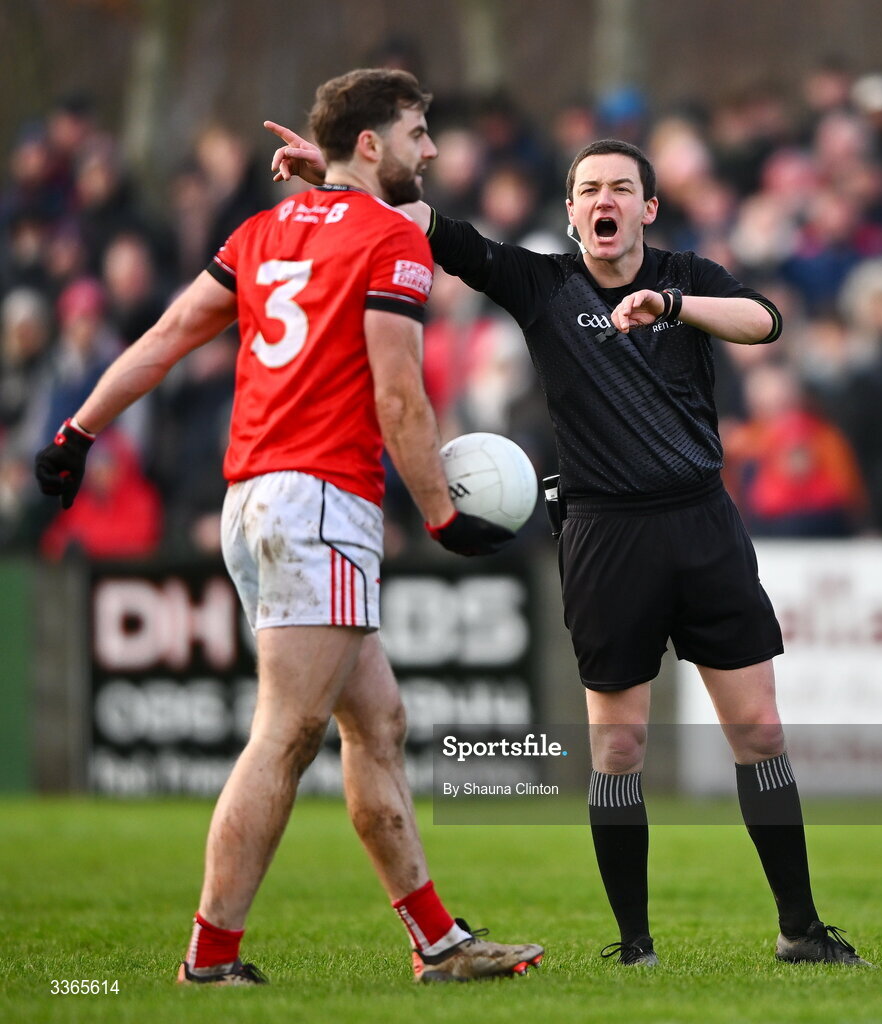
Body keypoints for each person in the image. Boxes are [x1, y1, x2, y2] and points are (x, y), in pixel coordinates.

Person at [264, 124, 873, 968]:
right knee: (618, 747)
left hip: (702, 524)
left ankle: (800, 931)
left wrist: (673, 306)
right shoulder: (542, 284)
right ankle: (634, 946)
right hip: (603, 535)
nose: (604, 202)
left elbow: (764, 321)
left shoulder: (685, 277)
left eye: (621, 188)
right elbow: (427, 224)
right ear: (571, 211)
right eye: (589, 190)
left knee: (761, 732)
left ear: (649, 208)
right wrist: (334, 176)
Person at [35, 69, 543, 986]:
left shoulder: (263, 231)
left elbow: (166, 334)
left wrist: (77, 429)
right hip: (319, 501)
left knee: (377, 721)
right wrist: (439, 512)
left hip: (254, 502)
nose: (433, 150)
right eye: (419, 132)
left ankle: (439, 942)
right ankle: (210, 959)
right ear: (376, 144)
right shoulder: (392, 239)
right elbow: (398, 394)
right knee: (284, 734)